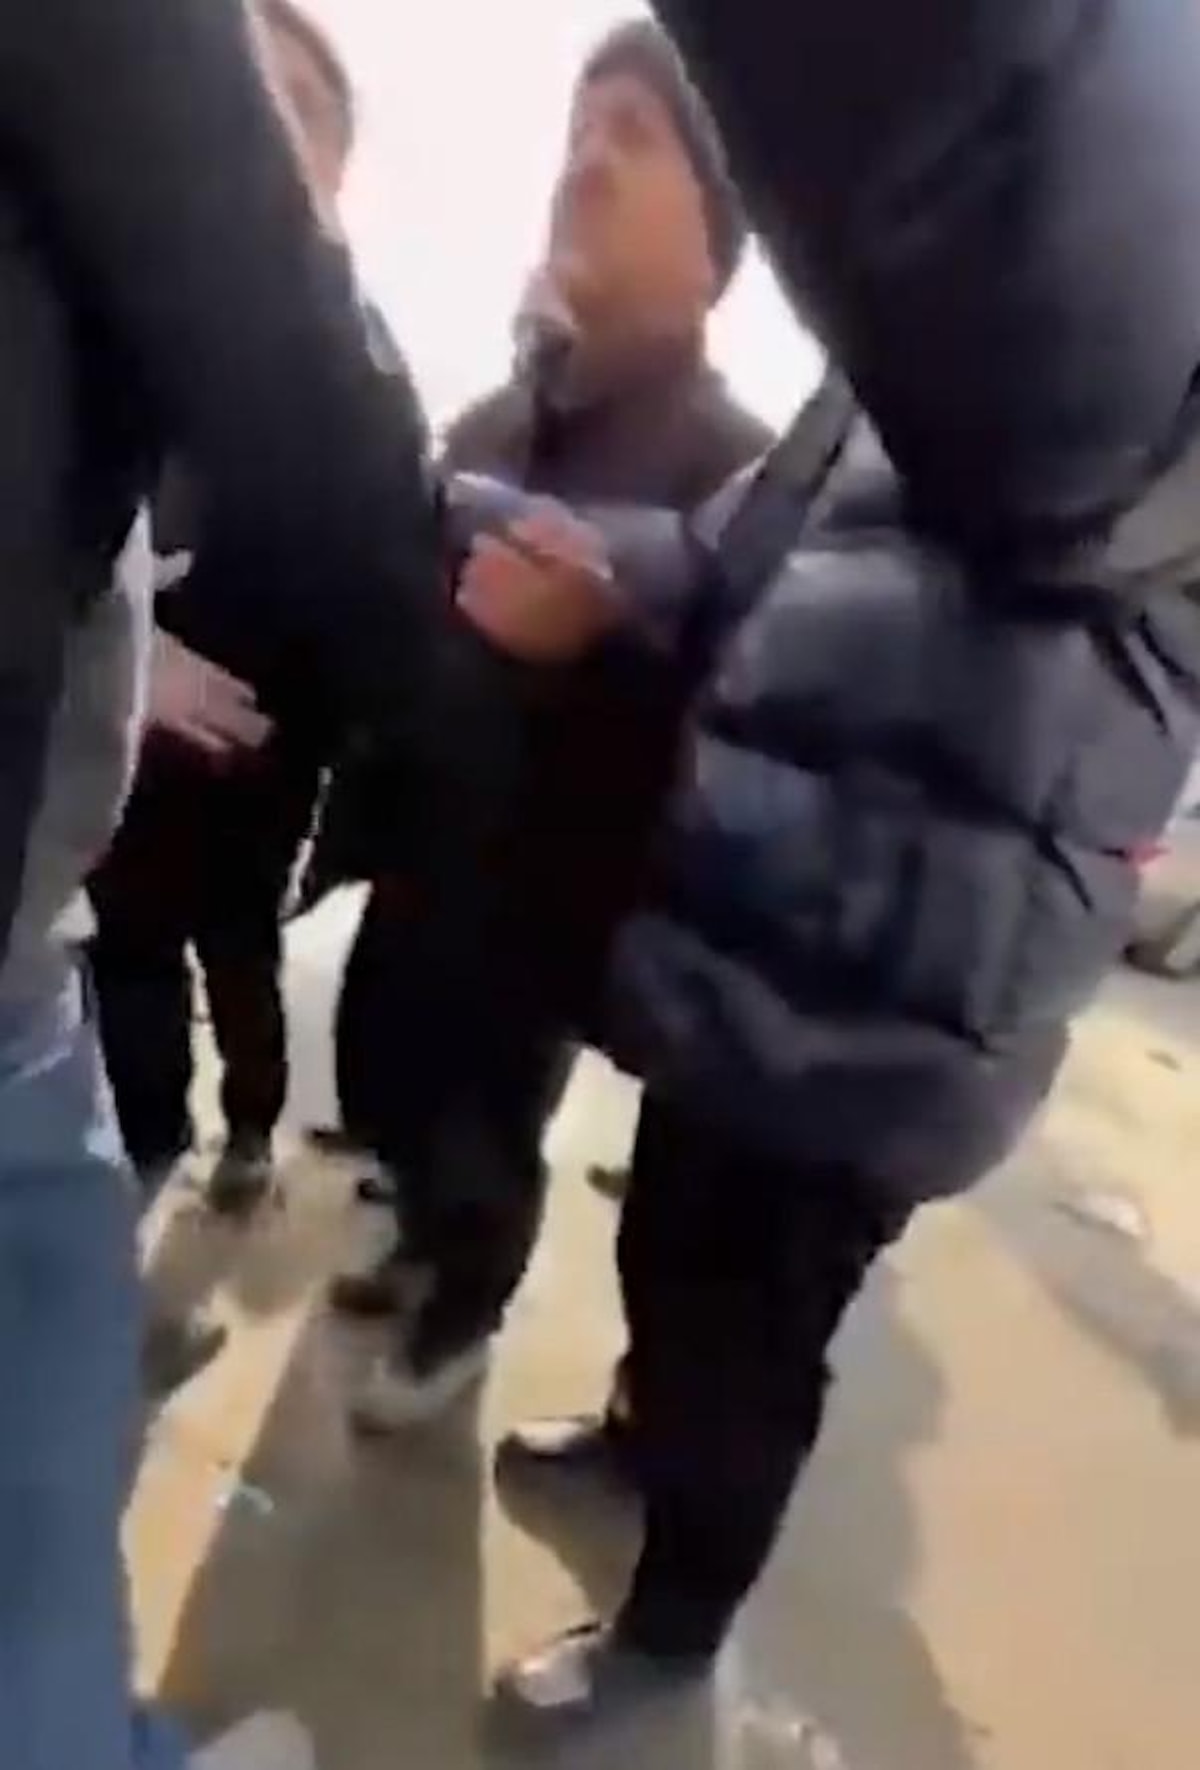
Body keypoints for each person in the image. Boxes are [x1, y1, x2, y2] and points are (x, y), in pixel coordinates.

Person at [448, 0, 1200, 1734]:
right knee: (671, 1255)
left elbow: (1061, 399)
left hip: (897, 998)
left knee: (749, 1348)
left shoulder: (1139, 383)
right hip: (759, 935)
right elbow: (728, 555)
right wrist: (592, 569)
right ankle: (643, 1437)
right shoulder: (869, 390)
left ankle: (669, 1638)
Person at [0, 0, 512, 1766]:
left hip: (168, 873)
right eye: (258, 114)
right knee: (45, 1457)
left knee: (199, 1051)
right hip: (55, 946)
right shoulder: (171, 291)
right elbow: (343, 494)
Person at [322, 20, 773, 1432]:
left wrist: (611, 641)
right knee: (388, 1075)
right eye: (579, 130)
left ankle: (463, 1312)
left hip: (550, 908)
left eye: (633, 137)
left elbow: (748, 721)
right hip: (414, 859)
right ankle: (417, 1246)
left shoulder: (738, 471)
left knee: (483, 1134)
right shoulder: (490, 423)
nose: (585, 162)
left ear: (716, 245)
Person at [90, 0, 364, 1217]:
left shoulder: (357, 390)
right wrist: (129, 650)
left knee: (242, 969)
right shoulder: (101, 327)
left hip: (262, 792)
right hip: (120, 792)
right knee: (133, 986)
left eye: (295, 111)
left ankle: (252, 1129)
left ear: (338, 175)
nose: (256, 134)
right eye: (241, 93)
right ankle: (143, 1165)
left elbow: (389, 639)